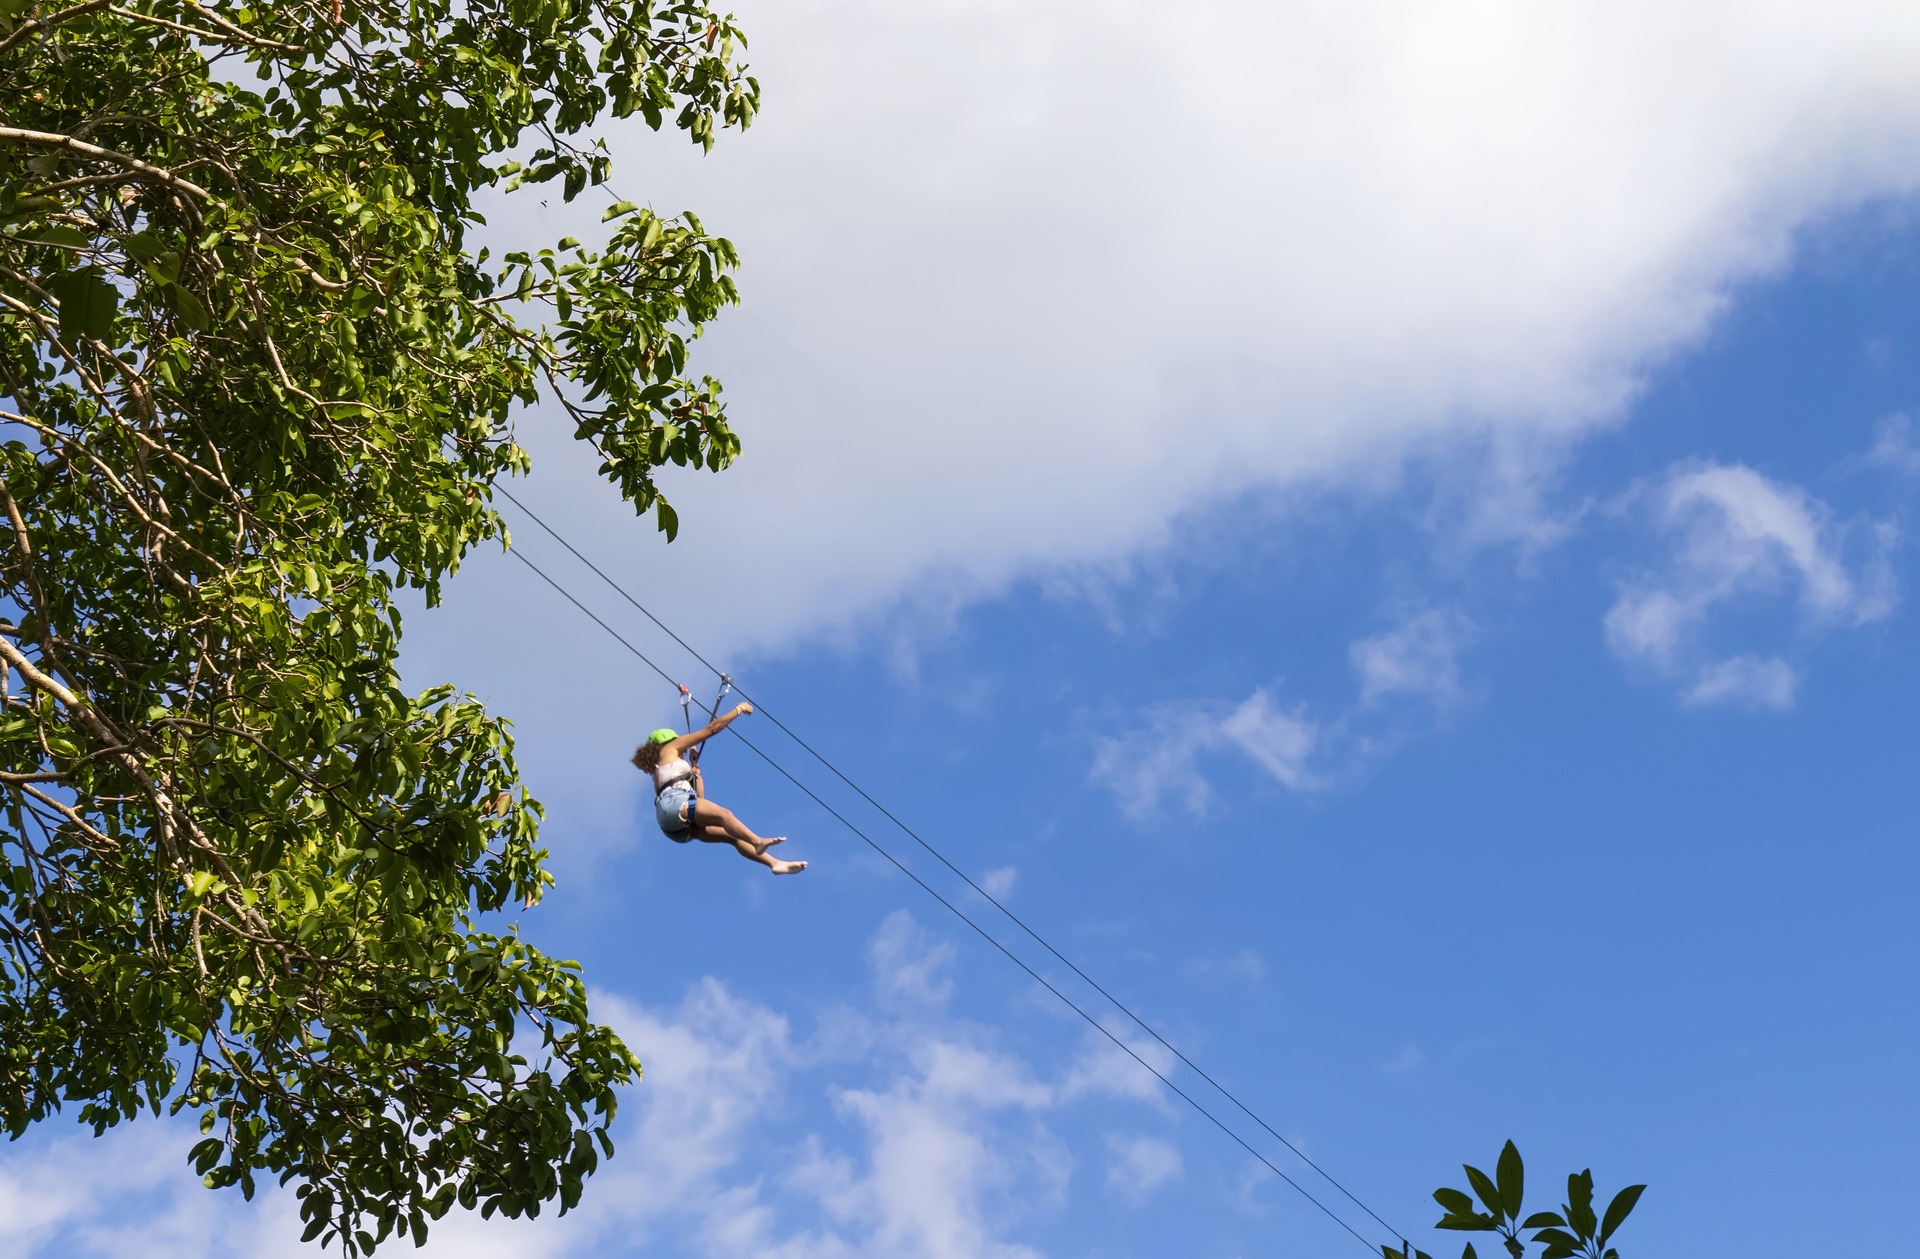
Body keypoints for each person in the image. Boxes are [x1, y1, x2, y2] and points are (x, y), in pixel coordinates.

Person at [632, 703, 807, 875]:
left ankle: (775, 864)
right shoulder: (671, 747)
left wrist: (694, 767)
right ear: (669, 740)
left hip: (673, 824)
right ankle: (757, 841)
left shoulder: (662, 769)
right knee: (725, 815)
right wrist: (738, 710)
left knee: (734, 835)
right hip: (674, 804)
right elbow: (711, 729)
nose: (684, 752)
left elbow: (700, 798)